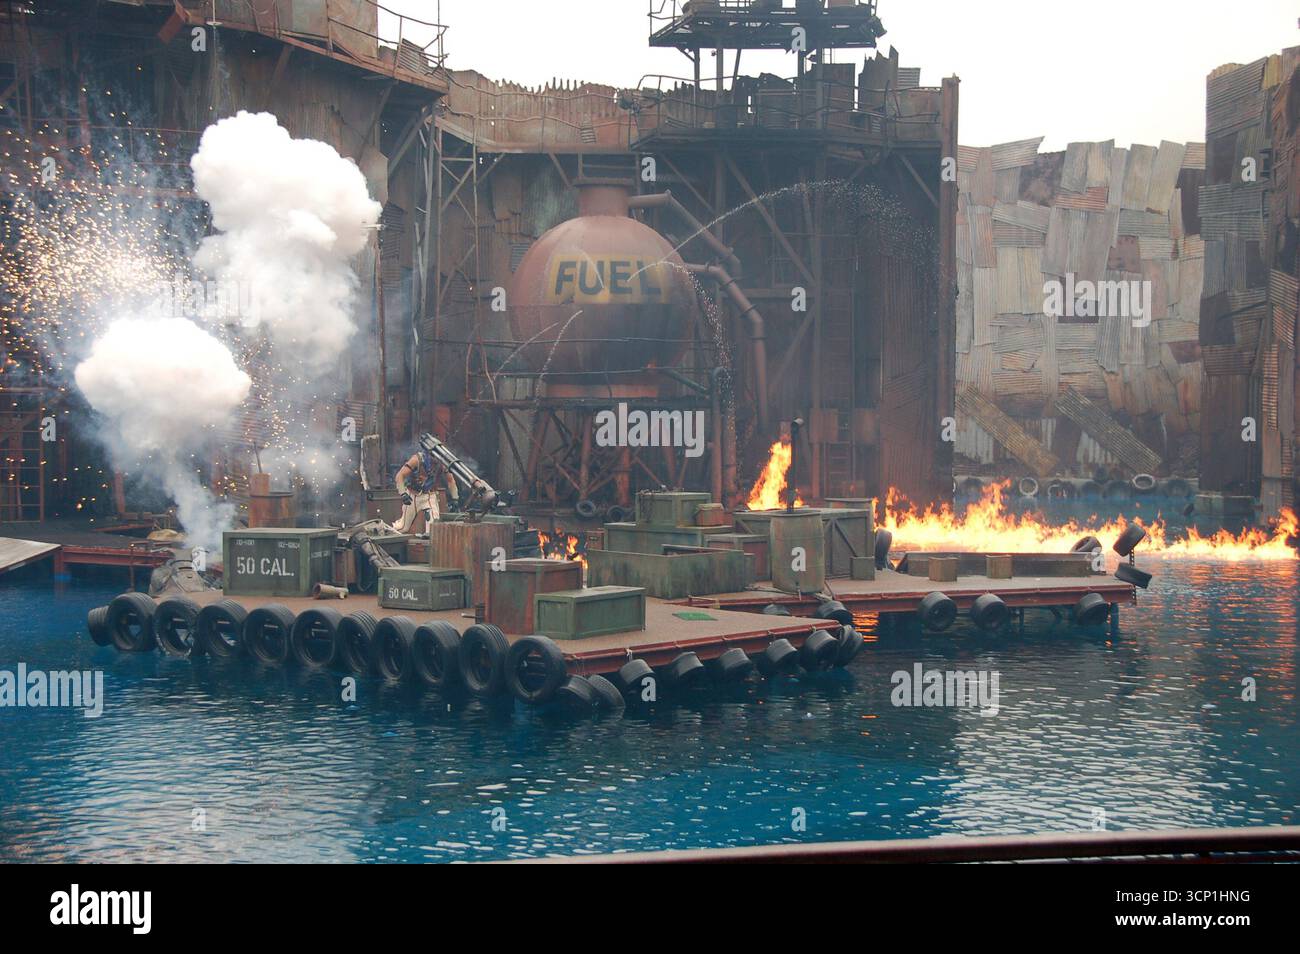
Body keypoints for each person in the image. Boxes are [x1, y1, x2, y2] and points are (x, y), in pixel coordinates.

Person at [392, 443, 460, 533]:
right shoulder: (417, 459)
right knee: (403, 527)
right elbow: (400, 475)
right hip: (413, 495)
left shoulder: (442, 463)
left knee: (433, 527)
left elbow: (450, 480)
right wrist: (403, 493)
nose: (435, 459)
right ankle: (386, 534)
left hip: (430, 495)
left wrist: (455, 499)